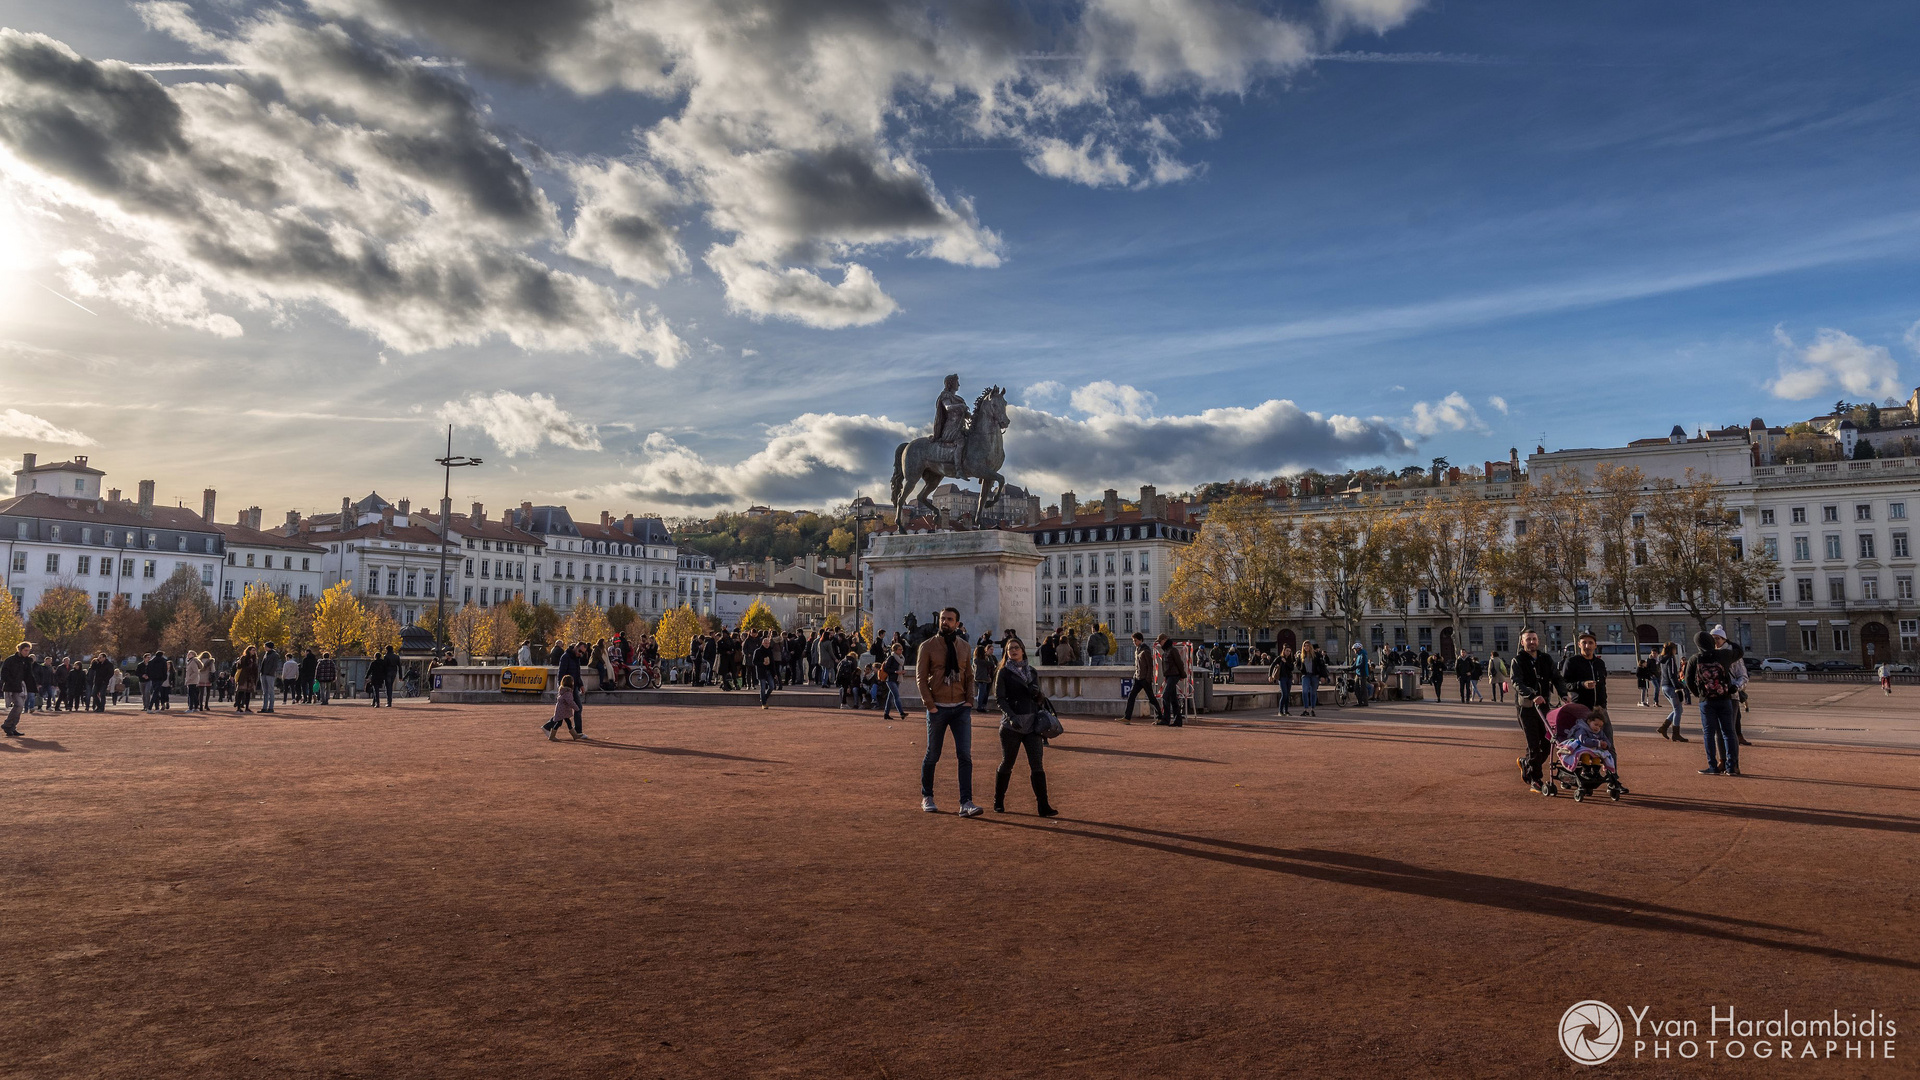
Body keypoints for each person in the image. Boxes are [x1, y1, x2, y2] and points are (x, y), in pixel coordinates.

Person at [916, 606, 980, 817]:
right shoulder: (927, 646)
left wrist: (969, 700)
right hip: (938, 708)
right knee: (933, 754)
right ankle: (927, 796)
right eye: (943, 618)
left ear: (957, 623)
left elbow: (969, 675)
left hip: (961, 707)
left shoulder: (964, 646)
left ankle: (966, 802)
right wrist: (930, 705)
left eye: (949, 619)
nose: (945, 622)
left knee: (965, 756)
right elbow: (921, 678)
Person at [992, 638, 1058, 817]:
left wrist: (1038, 694)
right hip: (1012, 725)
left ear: (1022, 650)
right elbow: (1000, 699)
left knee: (1037, 765)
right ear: (1006, 653)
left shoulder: (1032, 671)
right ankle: (998, 800)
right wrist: (1011, 716)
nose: (1013, 651)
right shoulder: (1003, 672)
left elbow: (1039, 699)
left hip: (1032, 724)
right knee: (1008, 763)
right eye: (1009, 649)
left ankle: (1043, 805)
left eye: (1016, 647)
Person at [1509, 629, 1567, 795]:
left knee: (1548, 742)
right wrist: (1533, 695)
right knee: (1533, 744)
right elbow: (1516, 682)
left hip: (1544, 708)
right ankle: (1536, 780)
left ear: (1538, 641)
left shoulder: (1545, 658)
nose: (1532, 642)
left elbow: (1556, 677)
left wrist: (1563, 694)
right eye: (1528, 639)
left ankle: (1527, 764)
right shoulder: (1518, 660)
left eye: (1534, 639)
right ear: (1522, 642)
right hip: (1526, 708)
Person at [1686, 630, 1741, 776]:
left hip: (1706, 701)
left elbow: (1688, 680)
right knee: (1728, 732)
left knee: (1709, 733)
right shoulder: (1723, 655)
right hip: (1724, 698)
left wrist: (1699, 694)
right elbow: (1739, 651)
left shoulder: (1695, 659)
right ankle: (1731, 767)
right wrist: (1727, 641)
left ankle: (1712, 766)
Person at [1122, 631, 1161, 724]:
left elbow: (1150, 666)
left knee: (1151, 698)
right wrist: (1135, 676)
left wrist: (1148, 679)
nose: (1134, 642)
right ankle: (1127, 717)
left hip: (1144, 679)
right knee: (1131, 696)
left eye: (1135, 640)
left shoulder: (1145, 650)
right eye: (1133, 640)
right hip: (1138, 678)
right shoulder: (1138, 649)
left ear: (1140, 640)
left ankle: (1160, 716)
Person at [1653, 641, 1686, 742]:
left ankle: (1664, 727)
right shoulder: (1671, 659)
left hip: (1664, 686)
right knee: (1678, 710)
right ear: (1672, 649)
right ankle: (1675, 733)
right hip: (1671, 687)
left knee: (1678, 709)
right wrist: (1677, 687)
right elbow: (1672, 674)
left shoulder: (1662, 659)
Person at [2, 641, 33, 736]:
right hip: (12, 686)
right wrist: (11, 681)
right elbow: (4, 673)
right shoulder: (10, 660)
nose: (27, 652)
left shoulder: (27, 661)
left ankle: (11, 727)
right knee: (19, 705)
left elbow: (29, 675)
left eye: (28, 650)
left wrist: (32, 686)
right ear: (20, 650)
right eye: (25, 650)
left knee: (20, 707)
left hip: (21, 686)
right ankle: (7, 725)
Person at [1156, 634, 1186, 726]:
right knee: (1173, 699)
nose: (1160, 644)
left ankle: (1166, 719)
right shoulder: (1167, 651)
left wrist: (1182, 674)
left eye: (1160, 641)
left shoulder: (1172, 650)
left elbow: (1179, 663)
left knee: (1165, 696)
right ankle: (1177, 720)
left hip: (1173, 675)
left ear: (1165, 640)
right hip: (1170, 676)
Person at [557, 643, 586, 734]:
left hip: (574, 687)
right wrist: (562, 688)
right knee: (576, 708)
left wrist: (581, 685)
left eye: (583, 653)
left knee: (563, 710)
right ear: (575, 647)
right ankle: (578, 731)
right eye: (580, 651)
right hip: (568, 688)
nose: (580, 654)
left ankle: (548, 726)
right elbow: (561, 674)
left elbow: (577, 674)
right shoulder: (566, 657)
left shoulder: (576, 658)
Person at [544, 674, 581, 740]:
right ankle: (552, 736)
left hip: (562, 710)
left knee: (568, 722)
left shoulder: (563, 690)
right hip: (563, 710)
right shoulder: (568, 692)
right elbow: (570, 702)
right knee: (559, 723)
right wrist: (577, 708)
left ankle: (574, 735)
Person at [752, 632, 777, 708]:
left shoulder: (770, 651)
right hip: (761, 671)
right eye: (765, 643)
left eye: (768, 643)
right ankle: (763, 703)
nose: (767, 645)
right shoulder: (758, 651)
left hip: (769, 671)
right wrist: (762, 663)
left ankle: (764, 698)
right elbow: (754, 662)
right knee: (762, 687)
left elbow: (772, 663)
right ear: (762, 643)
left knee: (772, 686)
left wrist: (774, 673)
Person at [883, 642, 907, 720]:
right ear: (895, 650)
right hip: (891, 679)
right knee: (896, 696)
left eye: (901, 649)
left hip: (897, 679)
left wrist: (902, 672)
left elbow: (901, 667)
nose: (901, 651)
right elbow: (886, 668)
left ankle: (886, 714)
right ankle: (901, 713)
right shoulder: (891, 658)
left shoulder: (901, 658)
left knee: (890, 697)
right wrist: (896, 672)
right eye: (899, 649)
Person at [233, 646, 260, 712]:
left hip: (250, 678)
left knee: (248, 693)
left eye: (254, 650)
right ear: (249, 650)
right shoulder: (244, 658)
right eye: (253, 650)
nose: (254, 652)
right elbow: (239, 667)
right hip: (244, 677)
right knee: (241, 692)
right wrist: (238, 663)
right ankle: (238, 707)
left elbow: (255, 669)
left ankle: (247, 707)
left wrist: (255, 678)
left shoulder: (254, 659)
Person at [1271, 645, 1295, 716]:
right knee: (1284, 694)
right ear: (1284, 651)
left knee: (1287, 695)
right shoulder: (1279, 658)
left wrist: (1286, 662)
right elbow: (1272, 665)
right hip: (1282, 678)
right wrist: (1270, 675)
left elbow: (1291, 668)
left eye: (1289, 651)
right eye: (1287, 651)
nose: (1288, 652)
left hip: (1289, 677)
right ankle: (1280, 711)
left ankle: (1286, 711)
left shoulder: (1291, 659)